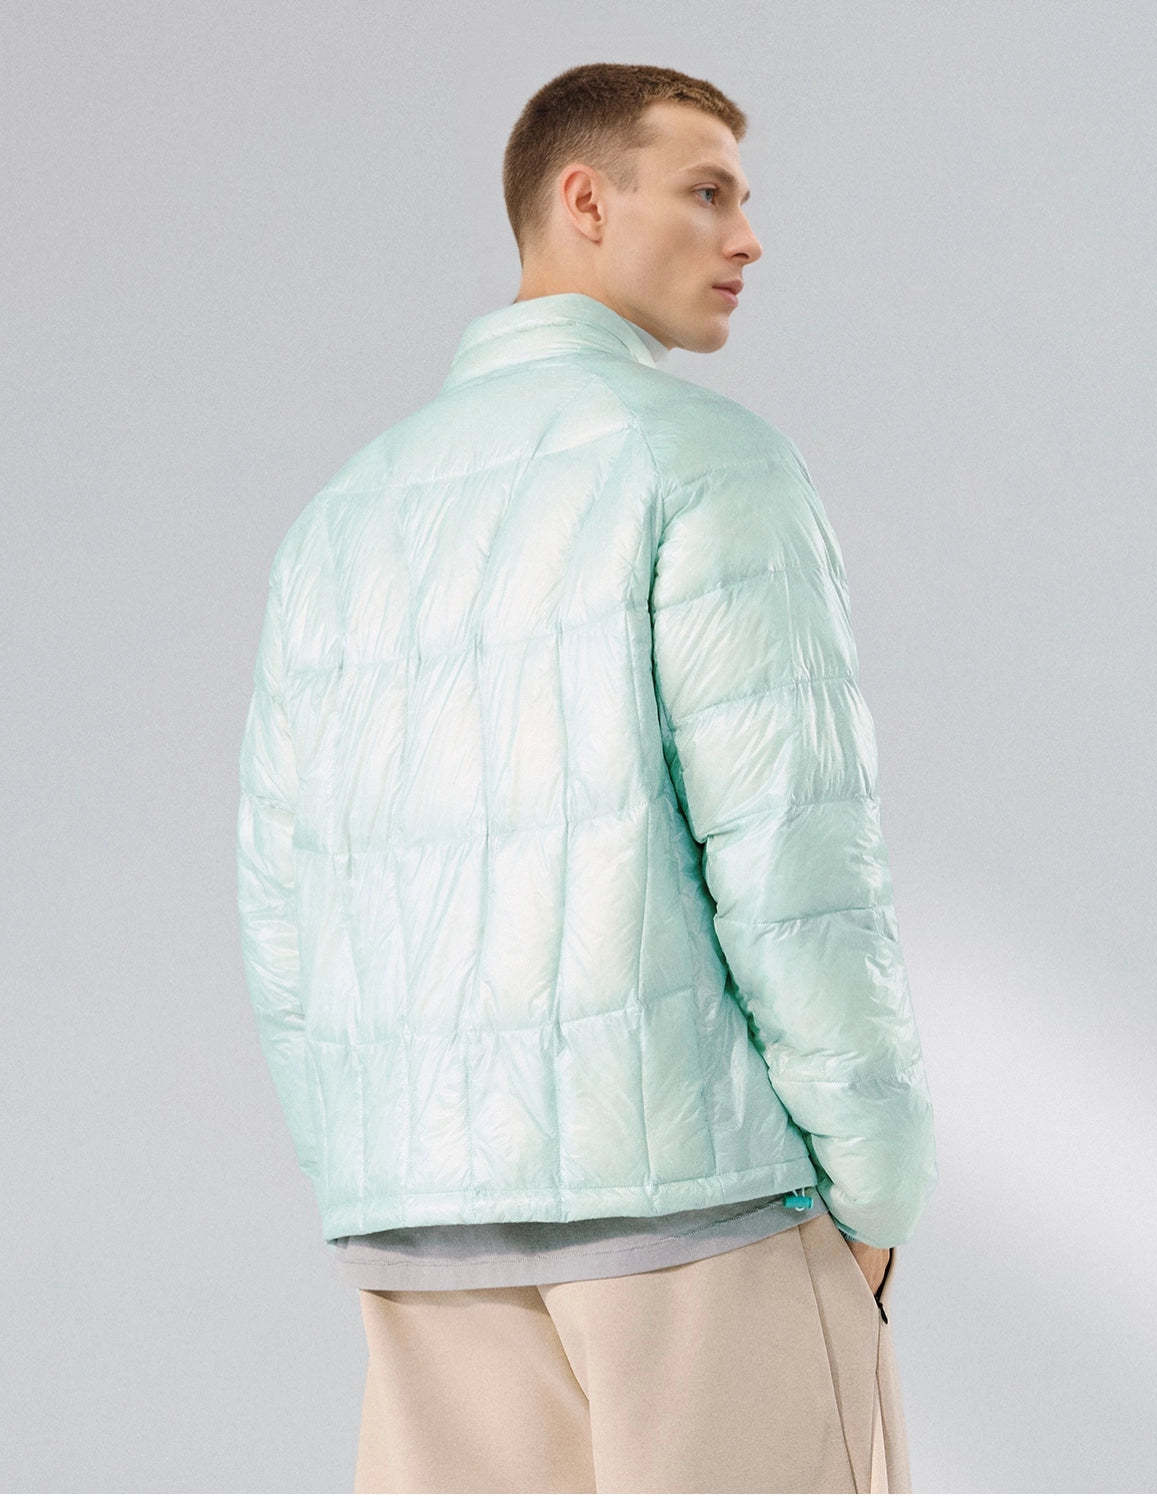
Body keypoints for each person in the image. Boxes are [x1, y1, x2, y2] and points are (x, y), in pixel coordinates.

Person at [236, 61, 937, 1494]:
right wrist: (877, 1186)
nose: (748, 238)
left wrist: (370, 1163)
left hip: (422, 1225)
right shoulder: (706, 464)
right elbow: (792, 862)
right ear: (584, 200)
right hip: (700, 1212)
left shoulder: (342, 520)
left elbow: (281, 908)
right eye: (707, 191)